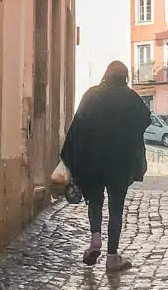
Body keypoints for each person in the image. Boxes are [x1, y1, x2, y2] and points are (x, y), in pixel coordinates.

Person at [60, 61, 150, 273]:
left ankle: (95, 240)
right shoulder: (130, 98)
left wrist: (72, 161)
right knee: (116, 207)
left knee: (95, 201)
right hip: (119, 163)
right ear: (125, 77)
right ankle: (112, 256)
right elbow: (145, 120)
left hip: (93, 162)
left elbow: (77, 127)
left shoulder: (92, 95)